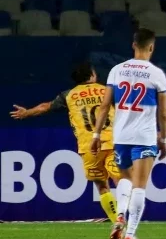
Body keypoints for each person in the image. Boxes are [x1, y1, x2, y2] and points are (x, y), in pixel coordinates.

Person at [10, 61, 119, 223]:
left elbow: (45, 106)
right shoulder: (107, 90)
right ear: (92, 75)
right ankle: (128, 221)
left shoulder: (69, 95)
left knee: (102, 186)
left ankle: (117, 221)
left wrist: (27, 113)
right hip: (113, 142)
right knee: (122, 182)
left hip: (89, 147)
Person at [91, 28, 166, 239]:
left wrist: (96, 134)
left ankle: (120, 216)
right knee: (140, 185)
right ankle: (130, 234)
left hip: (121, 136)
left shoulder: (117, 70)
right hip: (144, 136)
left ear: (133, 45)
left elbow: (105, 106)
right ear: (152, 47)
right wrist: (164, 140)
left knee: (125, 179)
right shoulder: (156, 74)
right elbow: (163, 112)